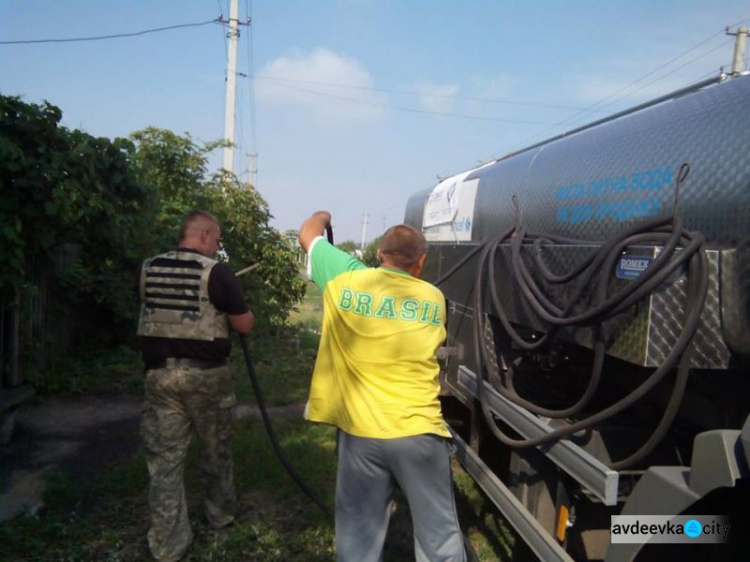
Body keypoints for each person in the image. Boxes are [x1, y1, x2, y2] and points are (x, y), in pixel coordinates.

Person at [298, 210, 466, 562]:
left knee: (357, 538)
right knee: (440, 539)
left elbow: (308, 233)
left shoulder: (344, 280)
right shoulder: (433, 299)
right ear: (421, 262)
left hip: (360, 434)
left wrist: (326, 217)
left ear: (379, 256)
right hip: (418, 432)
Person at [137, 210, 254, 562]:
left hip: (159, 377)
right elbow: (243, 325)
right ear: (203, 235)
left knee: (165, 462)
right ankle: (219, 516)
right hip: (207, 378)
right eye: (217, 240)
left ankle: (168, 544)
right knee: (215, 451)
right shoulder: (216, 272)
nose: (217, 248)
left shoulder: (147, 268)